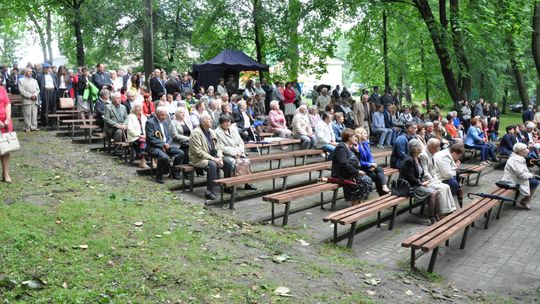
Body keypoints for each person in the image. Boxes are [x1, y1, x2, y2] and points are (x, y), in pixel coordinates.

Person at [399, 139, 439, 225]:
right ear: (416, 149)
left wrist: (423, 181)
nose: (422, 147)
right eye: (421, 146)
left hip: (417, 183)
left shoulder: (417, 158)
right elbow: (410, 177)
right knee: (433, 193)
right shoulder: (408, 160)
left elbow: (420, 174)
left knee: (436, 190)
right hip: (409, 186)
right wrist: (421, 183)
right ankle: (431, 217)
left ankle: (435, 214)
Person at [330, 128, 373, 205]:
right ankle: (355, 203)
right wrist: (357, 172)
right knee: (364, 180)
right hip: (341, 174)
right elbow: (344, 164)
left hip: (348, 172)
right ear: (349, 138)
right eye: (354, 137)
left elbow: (356, 161)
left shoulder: (349, 147)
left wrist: (357, 152)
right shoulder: (341, 147)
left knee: (368, 179)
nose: (355, 138)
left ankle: (358, 201)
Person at [214, 115, 257, 191]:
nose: (228, 124)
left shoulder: (233, 129)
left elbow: (240, 141)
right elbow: (220, 147)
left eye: (229, 122)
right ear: (221, 124)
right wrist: (235, 152)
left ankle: (247, 183)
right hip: (225, 154)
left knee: (246, 161)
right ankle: (227, 186)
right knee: (230, 162)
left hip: (238, 152)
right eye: (226, 122)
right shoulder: (217, 132)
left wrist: (240, 151)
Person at [419, 138, 458, 217]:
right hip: (425, 180)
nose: (439, 149)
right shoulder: (423, 155)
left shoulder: (432, 153)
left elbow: (433, 170)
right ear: (432, 147)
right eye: (438, 147)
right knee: (441, 188)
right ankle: (443, 212)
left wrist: (436, 179)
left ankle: (451, 208)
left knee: (446, 186)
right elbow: (425, 173)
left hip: (433, 178)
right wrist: (434, 180)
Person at [189, 114, 224, 200]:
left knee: (229, 161)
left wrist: (219, 156)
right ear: (204, 122)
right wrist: (214, 159)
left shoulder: (212, 131)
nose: (212, 120)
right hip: (198, 159)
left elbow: (218, 146)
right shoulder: (196, 133)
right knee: (212, 164)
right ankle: (209, 192)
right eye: (209, 119)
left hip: (213, 156)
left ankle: (226, 186)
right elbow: (198, 152)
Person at [146, 106, 184, 183]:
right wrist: (162, 145)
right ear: (156, 114)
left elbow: (169, 136)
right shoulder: (150, 122)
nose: (164, 117)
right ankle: (159, 177)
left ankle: (174, 172)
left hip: (167, 145)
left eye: (165, 115)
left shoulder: (166, 122)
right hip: (154, 147)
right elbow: (151, 138)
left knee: (181, 153)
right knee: (164, 157)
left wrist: (167, 144)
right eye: (161, 115)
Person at [502, 143, 539, 210]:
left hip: (516, 178)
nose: (527, 151)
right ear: (519, 151)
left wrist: (530, 174)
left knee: (536, 180)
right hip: (512, 180)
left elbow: (522, 171)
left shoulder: (518, 157)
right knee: (535, 182)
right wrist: (531, 175)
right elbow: (521, 175)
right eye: (525, 150)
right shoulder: (515, 159)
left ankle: (525, 200)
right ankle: (525, 201)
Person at [354, 127, 389, 196]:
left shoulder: (365, 143)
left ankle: (384, 187)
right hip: (361, 168)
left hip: (368, 166)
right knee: (376, 176)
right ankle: (383, 194)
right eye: (364, 133)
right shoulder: (355, 146)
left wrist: (372, 164)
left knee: (379, 168)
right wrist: (369, 165)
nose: (366, 135)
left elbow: (370, 156)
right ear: (359, 134)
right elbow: (359, 161)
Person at [125, 102, 149, 168]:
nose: (139, 109)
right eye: (137, 107)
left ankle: (154, 160)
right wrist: (139, 135)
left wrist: (146, 135)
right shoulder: (130, 117)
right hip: (134, 137)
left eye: (140, 107)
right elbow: (129, 129)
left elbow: (147, 128)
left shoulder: (144, 117)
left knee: (152, 141)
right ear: (134, 109)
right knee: (142, 142)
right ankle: (142, 160)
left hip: (144, 136)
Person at [18, 67, 40, 132]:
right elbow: (21, 91)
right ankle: (27, 127)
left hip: (34, 99)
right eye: (28, 71)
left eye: (31, 71)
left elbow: (38, 89)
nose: (30, 73)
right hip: (26, 99)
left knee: (34, 114)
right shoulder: (21, 80)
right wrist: (30, 96)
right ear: (25, 72)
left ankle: (34, 127)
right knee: (27, 114)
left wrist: (35, 95)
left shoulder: (34, 80)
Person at [36, 63, 58, 127]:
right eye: (46, 68)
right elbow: (38, 84)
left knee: (53, 107)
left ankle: (53, 122)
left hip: (53, 91)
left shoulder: (54, 75)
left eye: (48, 67)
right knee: (45, 107)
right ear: (43, 69)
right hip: (45, 92)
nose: (47, 69)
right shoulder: (39, 75)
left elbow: (56, 83)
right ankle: (45, 122)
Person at [0, 80, 13, 183]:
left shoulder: (2, 89)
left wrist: (8, 118)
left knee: (5, 149)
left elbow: (7, 103)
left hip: (5, 123)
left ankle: (5, 173)